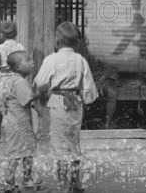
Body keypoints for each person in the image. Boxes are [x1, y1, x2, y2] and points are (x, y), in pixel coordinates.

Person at [33, 21, 98, 193]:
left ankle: (63, 185)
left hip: (58, 101)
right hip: (75, 102)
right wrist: (86, 98)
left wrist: (40, 95)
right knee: (73, 141)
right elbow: (88, 87)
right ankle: (76, 182)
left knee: (59, 143)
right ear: (76, 42)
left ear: (57, 40)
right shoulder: (80, 60)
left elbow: (40, 82)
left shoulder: (52, 59)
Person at [0, 51, 43, 193]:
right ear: (17, 67)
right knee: (27, 152)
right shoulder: (20, 82)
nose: (32, 63)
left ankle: (9, 181)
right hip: (21, 125)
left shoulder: (12, 80)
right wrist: (41, 93)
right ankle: (26, 179)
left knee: (15, 152)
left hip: (13, 123)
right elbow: (26, 100)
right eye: (28, 60)